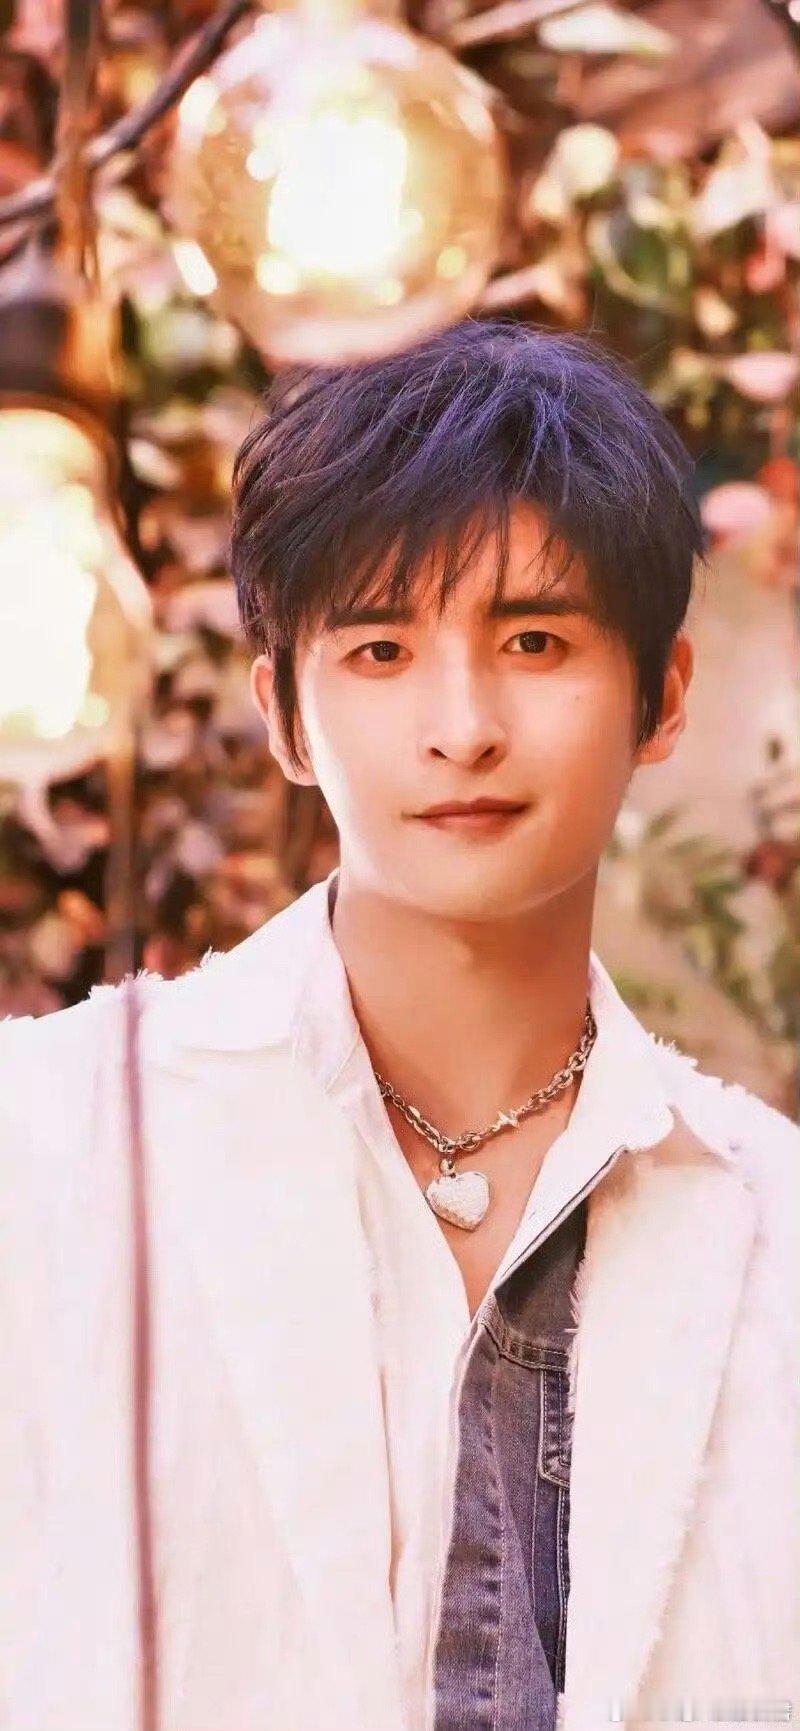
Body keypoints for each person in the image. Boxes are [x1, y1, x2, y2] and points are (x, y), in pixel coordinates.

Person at [1, 318, 798, 1731]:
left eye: (535, 640)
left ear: (661, 697)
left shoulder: (771, 1225)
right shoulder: (49, 1146)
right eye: (379, 649)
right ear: (285, 718)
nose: (463, 725)